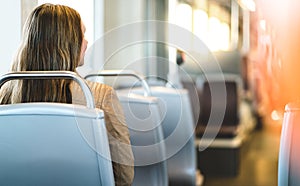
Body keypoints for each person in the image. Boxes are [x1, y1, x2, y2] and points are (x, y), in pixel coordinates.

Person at [0, 3, 134, 186]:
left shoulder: (5, 96)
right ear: (67, 42)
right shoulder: (100, 97)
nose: (86, 42)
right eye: (82, 35)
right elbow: (124, 175)